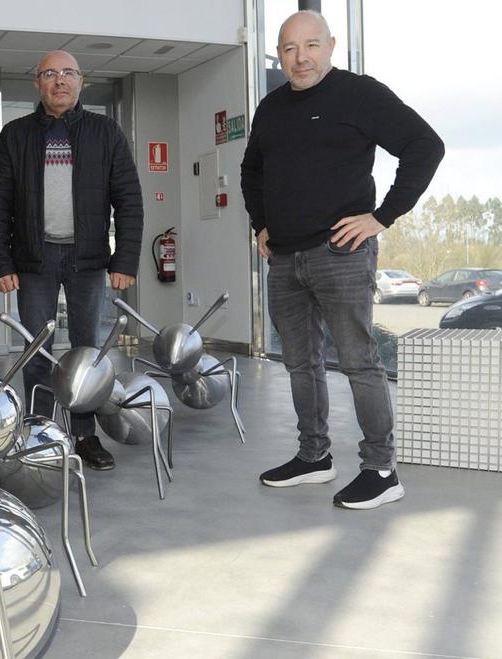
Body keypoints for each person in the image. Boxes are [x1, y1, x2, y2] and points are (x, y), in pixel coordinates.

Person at [241, 11, 443, 509]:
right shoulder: (270, 108)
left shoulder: (360, 94)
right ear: (280, 55)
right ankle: (314, 457)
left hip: (341, 252)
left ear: (331, 45)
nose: (301, 57)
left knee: (358, 361)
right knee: (299, 364)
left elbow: (425, 146)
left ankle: (380, 469)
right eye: (289, 48)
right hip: (284, 259)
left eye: (311, 45)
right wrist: (261, 225)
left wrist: (382, 217)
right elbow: (251, 171)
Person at [0, 50, 144, 471]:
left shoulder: (104, 132)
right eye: (50, 74)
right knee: (36, 351)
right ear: (37, 83)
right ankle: (39, 433)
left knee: (87, 353)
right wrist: (0, 263)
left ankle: (84, 434)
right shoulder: (14, 135)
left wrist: (124, 258)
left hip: (88, 261)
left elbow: (129, 199)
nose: (60, 80)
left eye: (68, 73)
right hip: (33, 262)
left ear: (81, 81)